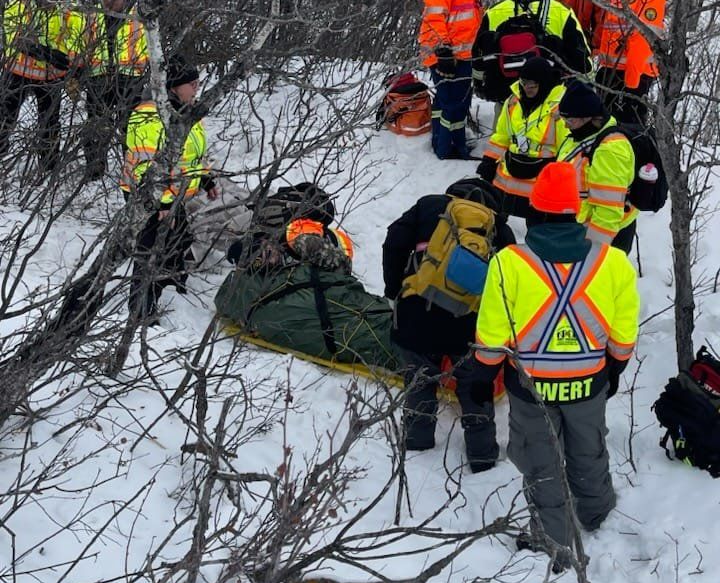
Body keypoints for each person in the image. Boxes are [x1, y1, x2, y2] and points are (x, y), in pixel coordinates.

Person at [473, 162, 639, 566]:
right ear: (576, 210)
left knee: (540, 460)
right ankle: (598, 515)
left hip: (530, 387)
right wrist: (613, 369)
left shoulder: (508, 263)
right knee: (589, 449)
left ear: (534, 209)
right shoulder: (612, 261)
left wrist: (484, 372)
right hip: (589, 383)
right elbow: (623, 331)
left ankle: (553, 540)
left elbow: (492, 333)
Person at [382, 178, 515, 472]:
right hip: (467, 325)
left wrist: (395, 290)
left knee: (418, 378)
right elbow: (508, 280)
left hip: (416, 313)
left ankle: (417, 442)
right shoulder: (498, 227)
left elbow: (393, 240)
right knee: (473, 388)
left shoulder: (430, 206)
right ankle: (482, 457)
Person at [217, 185, 395, 371]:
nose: (266, 257)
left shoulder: (298, 235)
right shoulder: (264, 254)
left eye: (265, 253)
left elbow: (339, 266)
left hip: (327, 279)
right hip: (316, 289)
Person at [120, 57, 217, 328]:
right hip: (148, 197)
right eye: (191, 83)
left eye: (198, 82)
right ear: (174, 86)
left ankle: (171, 293)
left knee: (180, 240)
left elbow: (192, 156)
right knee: (149, 251)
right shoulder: (151, 116)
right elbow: (144, 167)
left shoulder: (187, 112)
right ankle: (141, 310)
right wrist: (161, 204)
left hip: (172, 196)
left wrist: (206, 179)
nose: (196, 88)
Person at [419, 0, 513, 160]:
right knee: (455, 105)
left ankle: (442, 143)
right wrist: (443, 52)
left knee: (446, 101)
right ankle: (453, 148)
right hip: (447, 55)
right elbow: (434, 19)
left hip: (463, 54)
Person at [472, 0, 591, 108]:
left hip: (508, 100)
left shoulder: (494, 12)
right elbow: (584, 63)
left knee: (503, 132)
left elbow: (477, 56)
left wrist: (480, 86)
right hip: (549, 101)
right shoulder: (561, 12)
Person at [0, 0, 80, 174]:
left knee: (50, 122)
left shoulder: (67, 10)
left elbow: (77, 40)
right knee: (4, 115)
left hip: (51, 76)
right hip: (18, 72)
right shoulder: (20, 5)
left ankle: (49, 165)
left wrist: (63, 56)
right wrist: (41, 51)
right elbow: (12, 36)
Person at [78, 0, 149, 179]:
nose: (108, 0)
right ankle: (95, 172)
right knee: (94, 129)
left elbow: (150, 52)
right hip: (98, 80)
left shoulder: (139, 18)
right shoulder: (93, 17)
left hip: (130, 81)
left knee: (132, 130)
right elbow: (82, 47)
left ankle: (132, 172)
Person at [476, 57, 567, 217]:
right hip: (508, 177)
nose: (527, 89)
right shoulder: (512, 102)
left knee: (537, 227)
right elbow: (501, 136)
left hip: (541, 178)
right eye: (524, 83)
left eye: (533, 85)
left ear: (544, 83)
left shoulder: (560, 108)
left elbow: (567, 149)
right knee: (495, 217)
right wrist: (489, 162)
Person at [555, 81, 636, 252]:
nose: (565, 125)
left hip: (605, 237)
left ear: (588, 118)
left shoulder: (610, 150)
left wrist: (594, 252)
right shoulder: (579, 136)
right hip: (579, 230)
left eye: (569, 120)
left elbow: (608, 212)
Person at [595, 0, 666, 125]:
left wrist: (631, 87)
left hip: (633, 77)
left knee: (627, 128)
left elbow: (641, 42)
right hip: (609, 73)